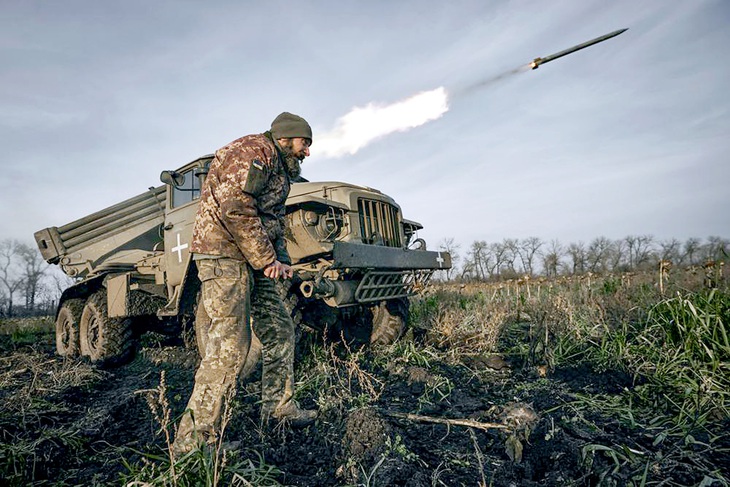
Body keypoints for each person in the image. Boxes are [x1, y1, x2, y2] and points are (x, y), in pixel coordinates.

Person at [173, 112, 317, 454]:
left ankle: (278, 408)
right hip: (223, 255)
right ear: (284, 138)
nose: (307, 152)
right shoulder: (253, 152)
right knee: (229, 345)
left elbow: (273, 221)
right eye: (304, 143)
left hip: (252, 258)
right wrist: (267, 260)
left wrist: (280, 261)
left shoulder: (280, 168)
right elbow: (236, 209)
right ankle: (192, 441)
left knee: (280, 329)